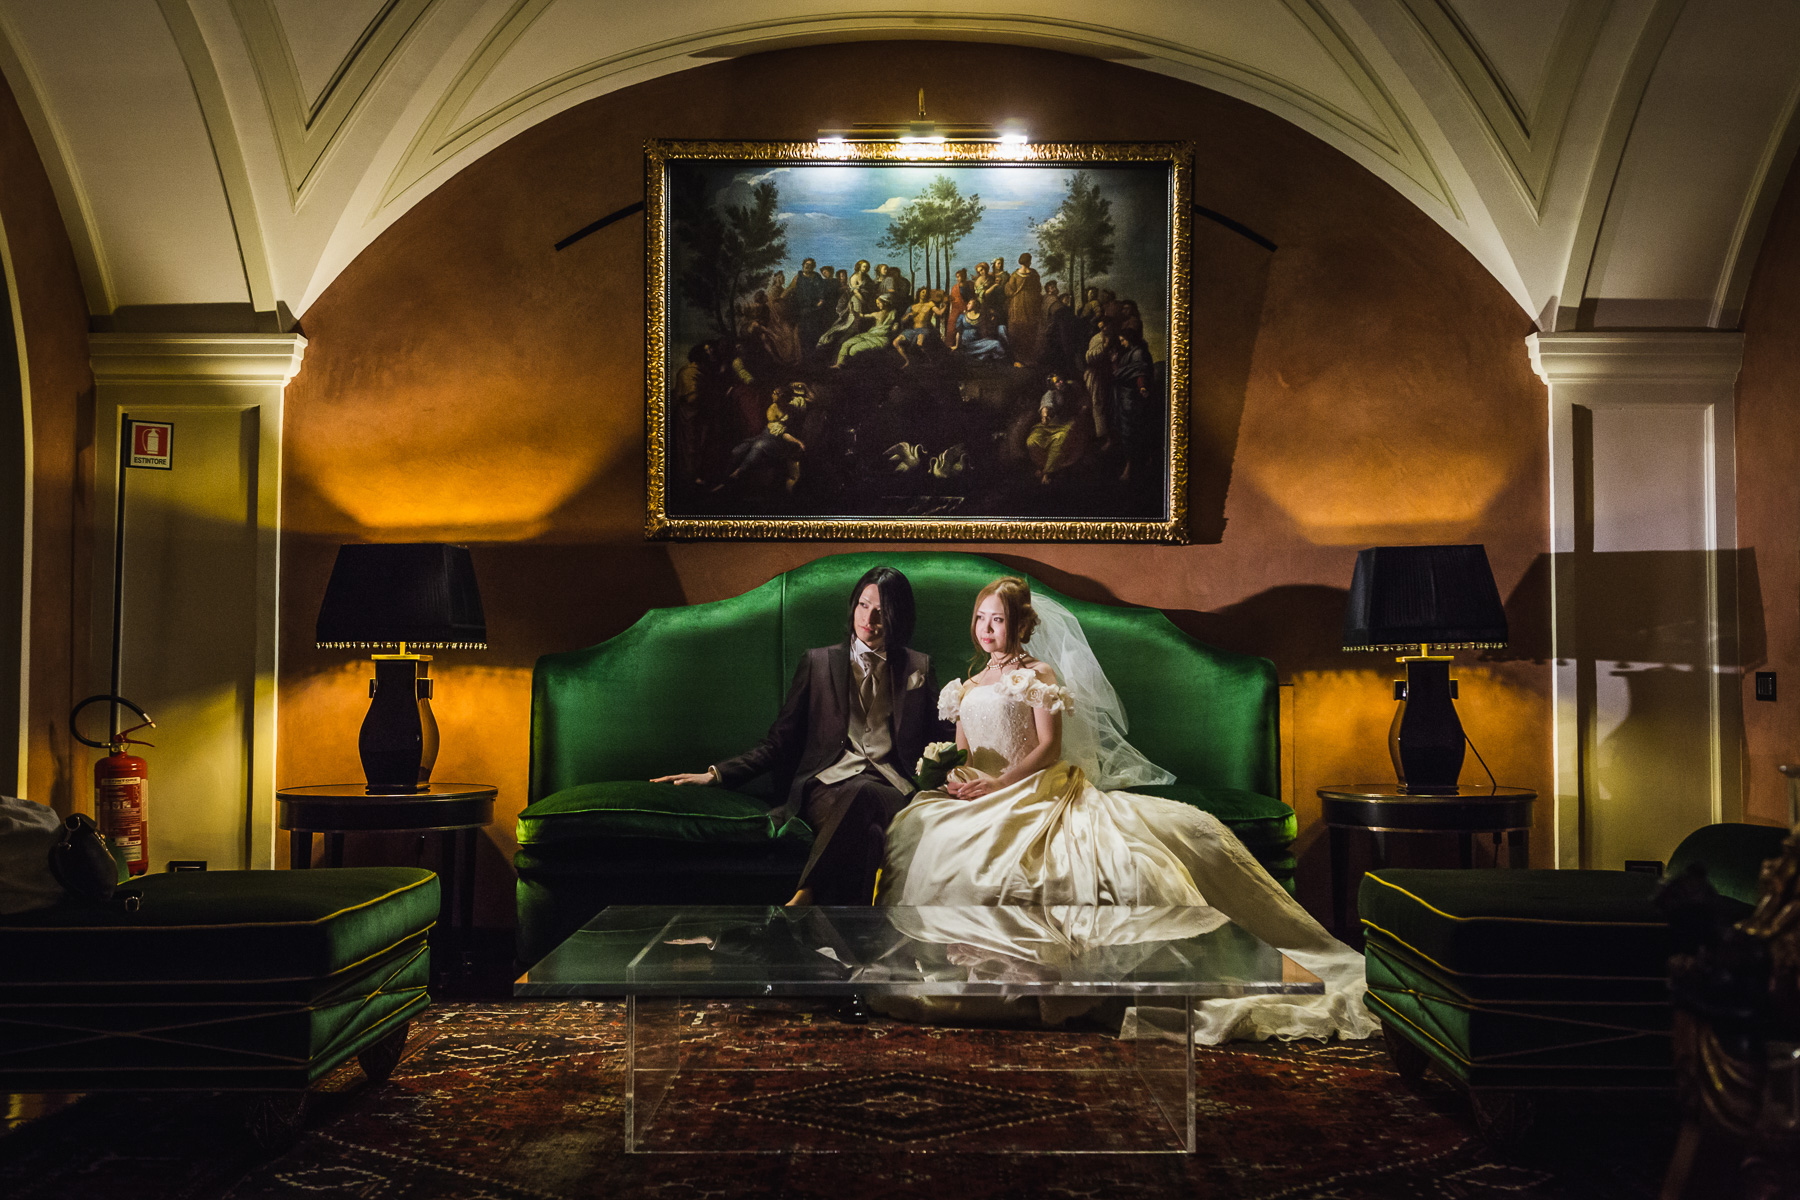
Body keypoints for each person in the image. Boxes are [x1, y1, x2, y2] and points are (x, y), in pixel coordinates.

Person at [879, 577, 1377, 1044]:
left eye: (998, 620)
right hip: (980, 791)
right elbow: (964, 751)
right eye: (981, 619)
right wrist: (953, 776)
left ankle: (1052, 977)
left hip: (1029, 787)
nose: (987, 629)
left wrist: (1000, 783)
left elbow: (1048, 748)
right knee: (923, 830)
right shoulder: (965, 686)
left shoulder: (1037, 676)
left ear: (1020, 624)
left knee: (1066, 859)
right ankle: (959, 971)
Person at [655, 568, 943, 907]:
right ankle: (856, 933)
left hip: (890, 788)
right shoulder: (818, 662)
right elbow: (779, 741)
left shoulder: (918, 667)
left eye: (882, 611)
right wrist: (716, 774)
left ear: (900, 615)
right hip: (828, 788)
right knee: (870, 834)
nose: (869, 619)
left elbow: (943, 737)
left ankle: (803, 899)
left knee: (866, 794)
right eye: (863, 606)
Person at [1004, 252, 1044, 364]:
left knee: (1018, 327)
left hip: (1017, 303)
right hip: (1031, 302)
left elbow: (1010, 290)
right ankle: (1029, 357)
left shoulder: (1015, 275)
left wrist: (1008, 288)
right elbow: (1038, 288)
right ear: (1029, 261)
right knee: (1030, 327)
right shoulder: (1034, 274)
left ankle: (1019, 357)